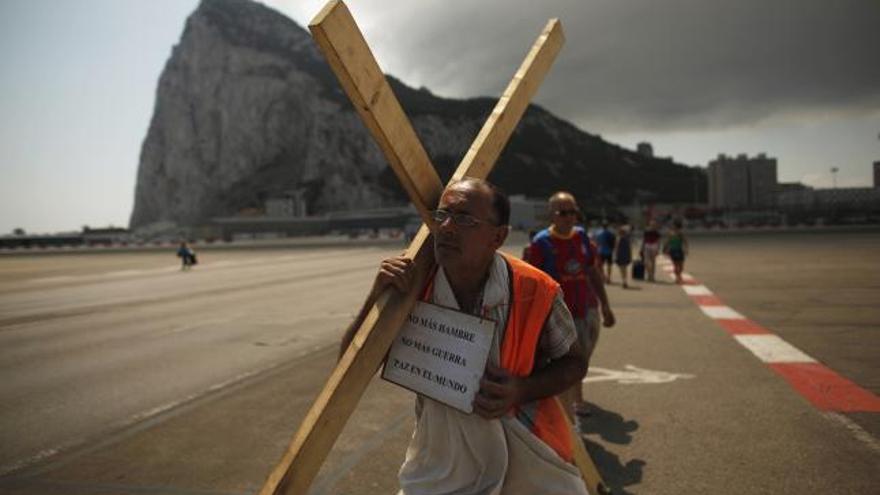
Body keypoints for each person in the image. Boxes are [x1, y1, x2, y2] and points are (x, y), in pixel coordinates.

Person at [341, 178, 590, 494]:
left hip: (526, 451)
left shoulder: (536, 289)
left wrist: (521, 390)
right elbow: (349, 366)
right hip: (440, 461)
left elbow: (575, 362)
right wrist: (377, 297)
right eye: (441, 215)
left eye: (464, 219)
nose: (445, 227)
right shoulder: (411, 287)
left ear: (497, 237)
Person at [526, 192, 615, 420]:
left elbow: (592, 271)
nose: (569, 217)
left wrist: (605, 305)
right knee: (568, 362)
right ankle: (573, 405)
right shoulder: (541, 243)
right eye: (563, 212)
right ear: (552, 215)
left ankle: (573, 399)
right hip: (559, 315)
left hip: (587, 309)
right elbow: (531, 282)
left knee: (584, 355)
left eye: (573, 211)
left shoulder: (583, 238)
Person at [663, 219, 689, 284]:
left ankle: (678, 276)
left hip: (679, 250)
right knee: (676, 265)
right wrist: (665, 248)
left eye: (673, 225)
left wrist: (686, 249)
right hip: (673, 250)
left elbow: (685, 241)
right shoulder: (671, 233)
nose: (672, 226)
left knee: (681, 266)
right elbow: (667, 241)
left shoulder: (680, 233)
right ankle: (678, 277)